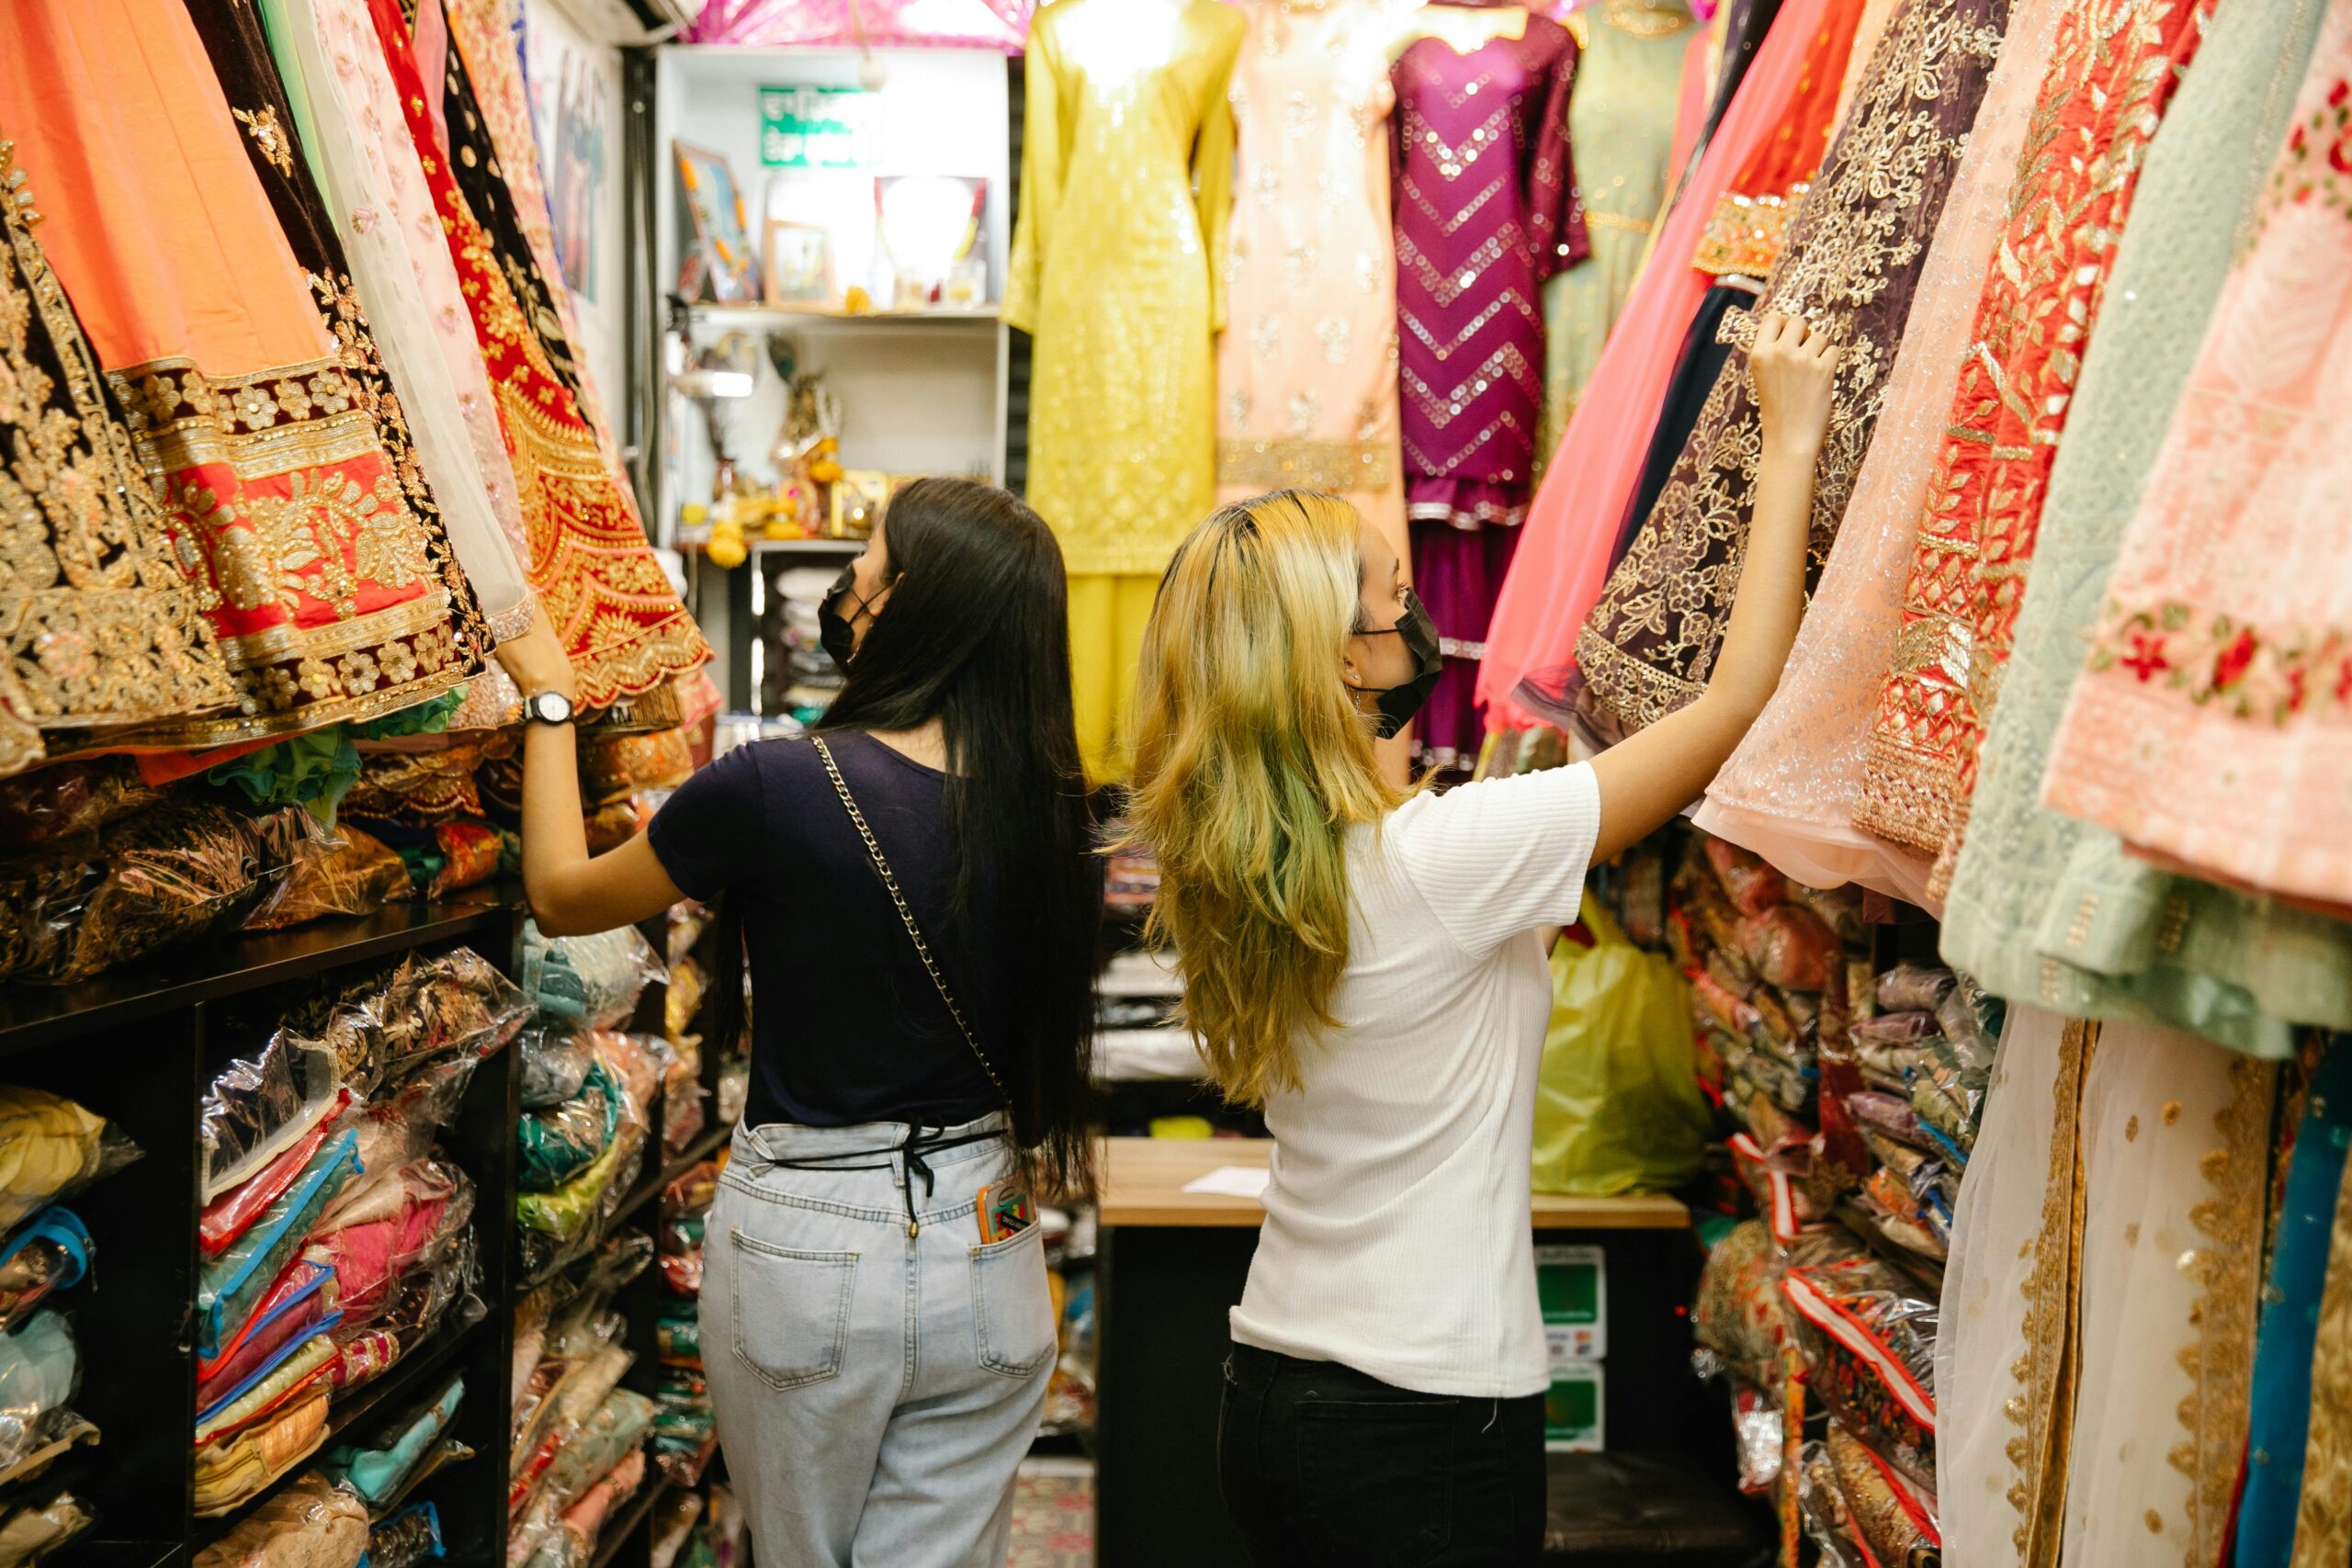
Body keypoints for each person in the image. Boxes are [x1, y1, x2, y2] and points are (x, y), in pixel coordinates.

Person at [1125, 316, 1840, 1565]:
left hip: (1277, 1384)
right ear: (1336, 657)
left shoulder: (1254, 866)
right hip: (1421, 1418)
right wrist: (1789, 443)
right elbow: (1734, 703)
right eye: (1398, 602)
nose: (1424, 629)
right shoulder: (1443, 857)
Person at [494, 477, 1101, 1568]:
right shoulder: (1049, 808)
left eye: (869, 554)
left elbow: (562, 894)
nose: (849, 573)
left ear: (906, 596)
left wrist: (548, 701)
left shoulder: (776, 787)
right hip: (989, 1243)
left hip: (811, 1243)